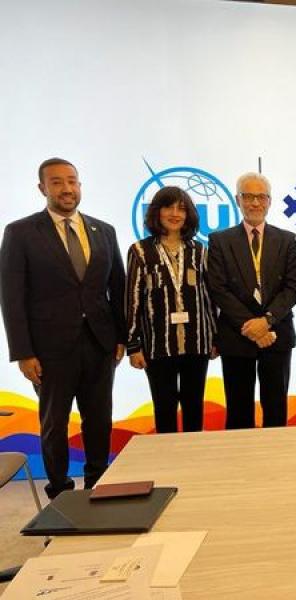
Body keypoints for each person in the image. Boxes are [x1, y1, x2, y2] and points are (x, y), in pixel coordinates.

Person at [0, 158, 125, 498]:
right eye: (57, 182)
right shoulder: (21, 232)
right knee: (55, 425)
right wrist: (23, 353)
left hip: (100, 345)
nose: (67, 188)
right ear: (42, 188)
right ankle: (60, 492)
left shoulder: (104, 231)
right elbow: (12, 298)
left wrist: (121, 337)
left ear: (80, 185)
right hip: (48, 351)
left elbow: (118, 288)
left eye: (72, 181)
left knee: (99, 420)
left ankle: (98, 486)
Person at [207, 172, 296, 428]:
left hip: (276, 335)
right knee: (238, 411)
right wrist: (251, 326)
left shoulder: (287, 240)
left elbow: (292, 288)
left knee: (276, 409)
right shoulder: (220, 241)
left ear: (270, 201)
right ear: (238, 200)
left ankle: (276, 455)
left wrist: (266, 322)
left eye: (261, 197)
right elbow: (218, 289)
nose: (255, 203)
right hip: (237, 336)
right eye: (248, 196)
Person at [126, 186, 217, 433]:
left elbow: (210, 297)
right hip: (158, 345)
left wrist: (215, 337)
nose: (175, 214)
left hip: (197, 343)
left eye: (181, 209)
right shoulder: (140, 251)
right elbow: (133, 299)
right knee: (164, 408)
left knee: (194, 407)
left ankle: (193, 457)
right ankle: (166, 458)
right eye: (168, 207)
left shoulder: (200, 251)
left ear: (189, 215)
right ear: (157, 212)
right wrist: (133, 346)